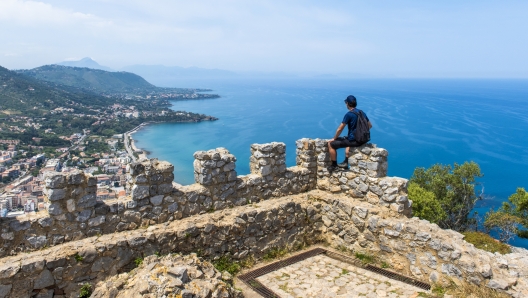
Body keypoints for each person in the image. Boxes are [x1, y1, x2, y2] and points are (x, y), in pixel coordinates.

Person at [327, 95, 372, 172]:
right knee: (347, 139)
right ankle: (346, 161)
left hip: (354, 141)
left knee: (331, 144)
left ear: (347, 103)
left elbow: (340, 128)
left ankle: (334, 165)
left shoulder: (349, 114)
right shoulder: (361, 112)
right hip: (363, 139)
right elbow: (370, 126)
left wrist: (334, 138)